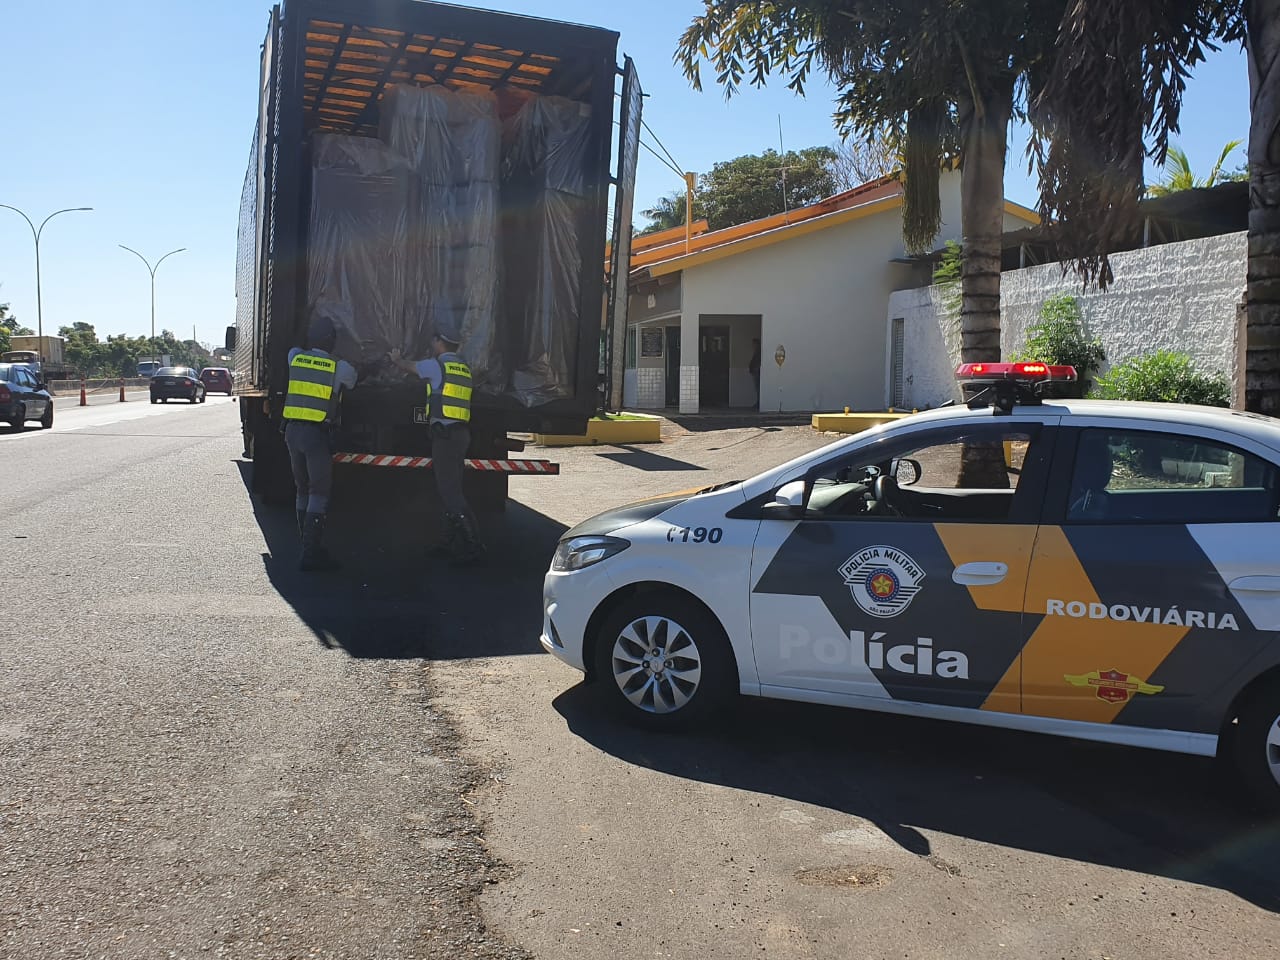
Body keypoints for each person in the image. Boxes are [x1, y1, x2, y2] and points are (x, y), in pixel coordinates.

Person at [390, 329, 484, 564]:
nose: (432, 344)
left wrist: (397, 359)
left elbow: (411, 367)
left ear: (440, 342)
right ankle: (447, 541)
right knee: (451, 488)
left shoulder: (437, 366)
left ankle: (474, 545)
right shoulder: (463, 368)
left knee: (450, 491)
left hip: (446, 437)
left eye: (434, 340)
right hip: (460, 434)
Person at [282, 316, 357, 571]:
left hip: (292, 432)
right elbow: (353, 381)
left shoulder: (295, 357)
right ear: (332, 341)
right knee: (318, 492)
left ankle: (306, 545)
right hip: (316, 435)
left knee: (302, 489)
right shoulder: (339, 367)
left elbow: (294, 344)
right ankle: (311, 553)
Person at [749, 338, 761, 409]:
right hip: (755, 372)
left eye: (754, 344)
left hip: (757, 373)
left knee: (758, 388)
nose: (753, 346)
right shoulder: (756, 352)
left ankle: (759, 403)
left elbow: (758, 362)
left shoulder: (759, 353)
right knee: (757, 388)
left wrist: (756, 369)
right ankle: (758, 402)